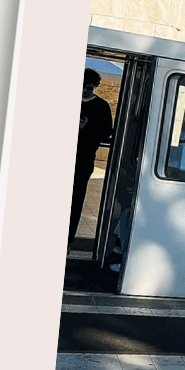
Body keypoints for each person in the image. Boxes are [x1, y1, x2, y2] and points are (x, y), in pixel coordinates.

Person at [68, 68, 113, 247]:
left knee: (75, 203)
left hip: (83, 160)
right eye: (82, 87)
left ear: (95, 87)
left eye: (89, 88)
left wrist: (87, 127)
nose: (85, 91)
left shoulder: (102, 107)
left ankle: (67, 243)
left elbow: (107, 133)